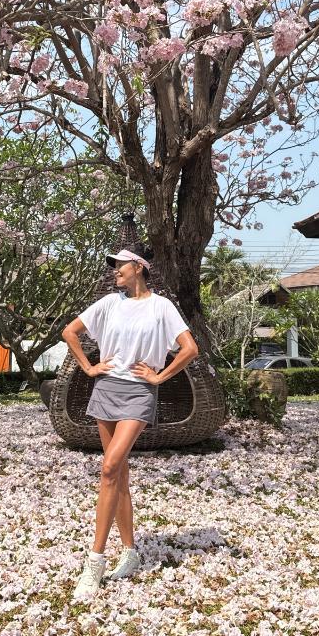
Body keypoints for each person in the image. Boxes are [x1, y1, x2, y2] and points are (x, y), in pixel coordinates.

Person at [61, 246, 199, 601]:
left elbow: (189, 348)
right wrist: (89, 368)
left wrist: (160, 377)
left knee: (109, 468)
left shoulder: (161, 307)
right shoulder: (109, 303)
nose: (115, 271)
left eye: (120, 265)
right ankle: (130, 551)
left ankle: (94, 562)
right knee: (118, 474)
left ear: (138, 267)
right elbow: (69, 332)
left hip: (139, 392)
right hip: (106, 389)